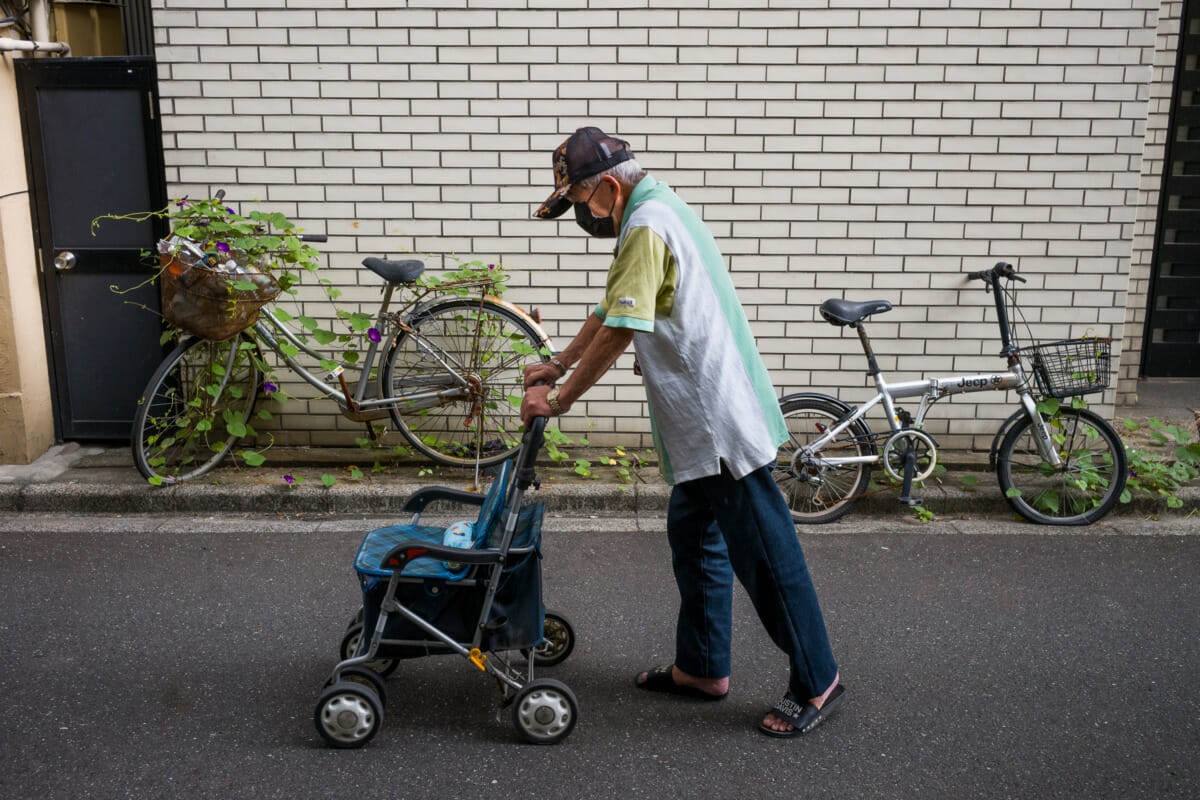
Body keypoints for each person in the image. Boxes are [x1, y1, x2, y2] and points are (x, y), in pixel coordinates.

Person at [521, 127, 845, 738]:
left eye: (582, 203)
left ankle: (817, 678)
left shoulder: (644, 225)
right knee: (694, 539)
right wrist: (558, 361)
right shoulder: (654, 203)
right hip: (697, 423)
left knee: (767, 557)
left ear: (608, 188)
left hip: (717, 421)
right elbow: (610, 306)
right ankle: (701, 668)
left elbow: (621, 327)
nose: (582, 216)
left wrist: (559, 398)